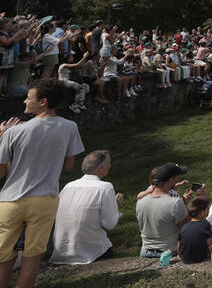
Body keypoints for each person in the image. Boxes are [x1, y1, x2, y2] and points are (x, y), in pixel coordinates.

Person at [0, 79, 85, 288]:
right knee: (32, 259)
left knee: (3, 258)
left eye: (29, 98)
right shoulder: (70, 127)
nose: (25, 101)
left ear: (43, 102)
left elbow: (1, 171)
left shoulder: (13, 132)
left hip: (10, 201)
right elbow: (68, 166)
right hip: (45, 199)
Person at [49, 150, 122, 265]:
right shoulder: (105, 187)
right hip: (91, 253)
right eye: (109, 163)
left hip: (62, 252)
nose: (110, 166)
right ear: (101, 167)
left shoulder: (68, 186)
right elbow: (110, 224)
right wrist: (115, 207)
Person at [135, 162, 202, 258]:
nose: (177, 180)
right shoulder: (175, 203)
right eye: (176, 178)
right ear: (171, 180)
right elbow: (190, 229)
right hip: (169, 253)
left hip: (145, 252)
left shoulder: (140, 201)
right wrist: (199, 199)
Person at [177, 197, 212, 264]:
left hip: (185, 258)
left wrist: (180, 255)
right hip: (200, 257)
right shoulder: (205, 225)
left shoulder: (184, 227)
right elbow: (209, 243)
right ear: (202, 212)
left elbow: (179, 245)